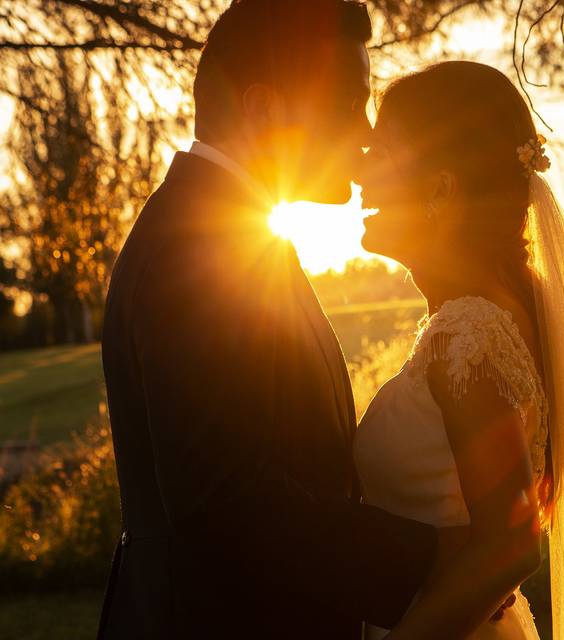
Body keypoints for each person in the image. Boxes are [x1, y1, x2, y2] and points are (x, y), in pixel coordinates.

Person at [98, 3, 529, 638]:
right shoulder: (192, 249)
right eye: (350, 104)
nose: (364, 135)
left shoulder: (243, 240)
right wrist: (435, 558)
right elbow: (230, 502)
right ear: (263, 109)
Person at [354, 61, 564, 639]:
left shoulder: (471, 334)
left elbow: (510, 547)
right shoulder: (491, 316)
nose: (361, 171)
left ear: (440, 186)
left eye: (381, 152)